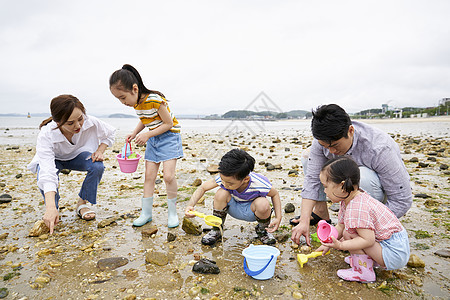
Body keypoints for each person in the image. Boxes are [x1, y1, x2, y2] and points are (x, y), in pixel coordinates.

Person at [291, 104, 412, 245]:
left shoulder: (379, 148)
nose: (331, 151)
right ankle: (321, 212)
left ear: (350, 131)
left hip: (377, 193)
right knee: (308, 157)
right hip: (350, 188)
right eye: (325, 146)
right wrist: (304, 221)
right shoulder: (323, 141)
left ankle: (363, 223)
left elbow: (402, 200)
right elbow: (312, 179)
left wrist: (371, 227)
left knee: (360, 176)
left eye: (335, 145)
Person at [27, 95, 116, 234]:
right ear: (58, 122)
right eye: (70, 123)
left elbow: (110, 133)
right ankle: (53, 210)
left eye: (80, 119)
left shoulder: (90, 121)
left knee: (97, 166)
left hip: (77, 155)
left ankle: (82, 204)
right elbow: (47, 172)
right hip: (54, 159)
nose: (78, 126)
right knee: (42, 174)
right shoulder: (47, 134)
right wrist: (50, 207)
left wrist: (99, 150)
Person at [109, 64, 183, 228]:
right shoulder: (137, 104)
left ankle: (172, 213)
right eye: (118, 99)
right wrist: (135, 133)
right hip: (154, 139)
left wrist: (147, 135)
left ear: (134, 89)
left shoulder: (155, 100)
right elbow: (145, 119)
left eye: (122, 97)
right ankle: (146, 213)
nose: (123, 102)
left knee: (168, 176)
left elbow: (168, 123)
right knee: (149, 177)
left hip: (169, 137)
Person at [316, 157, 410, 282]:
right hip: (390, 243)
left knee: (349, 235)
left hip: (393, 252)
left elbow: (368, 240)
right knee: (347, 232)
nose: (324, 191)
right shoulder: (350, 198)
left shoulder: (357, 207)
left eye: (326, 186)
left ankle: (363, 272)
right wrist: (328, 243)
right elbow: (340, 225)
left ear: (342, 186)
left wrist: (341, 245)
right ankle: (363, 260)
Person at [185, 149, 282, 245]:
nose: (225, 184)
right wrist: (190, 205)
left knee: (263, 203)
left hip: (252, 211)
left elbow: (275, 194)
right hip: (233, 208)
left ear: (245, 179)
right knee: (221, 193)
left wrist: (278, 217)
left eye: (230, 183)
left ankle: (262, 231)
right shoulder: (225, 178)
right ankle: (216, 229)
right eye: (222, 180)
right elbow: (202, 188)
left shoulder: (259, 183)